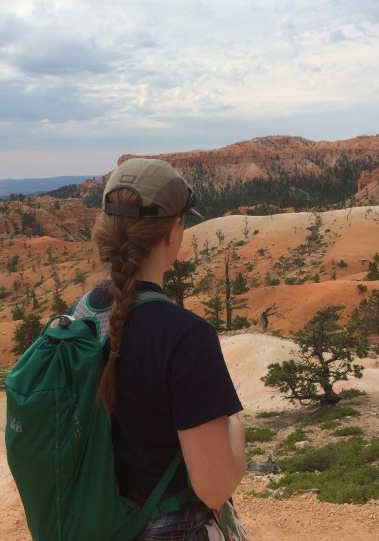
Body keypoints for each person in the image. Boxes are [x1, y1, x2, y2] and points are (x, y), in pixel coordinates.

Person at [85, 157, 246, 540]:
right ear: (173, 233)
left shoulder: (81, 316)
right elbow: (215, 487)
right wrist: (235, 426)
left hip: (97, 526)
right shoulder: (185, 337)